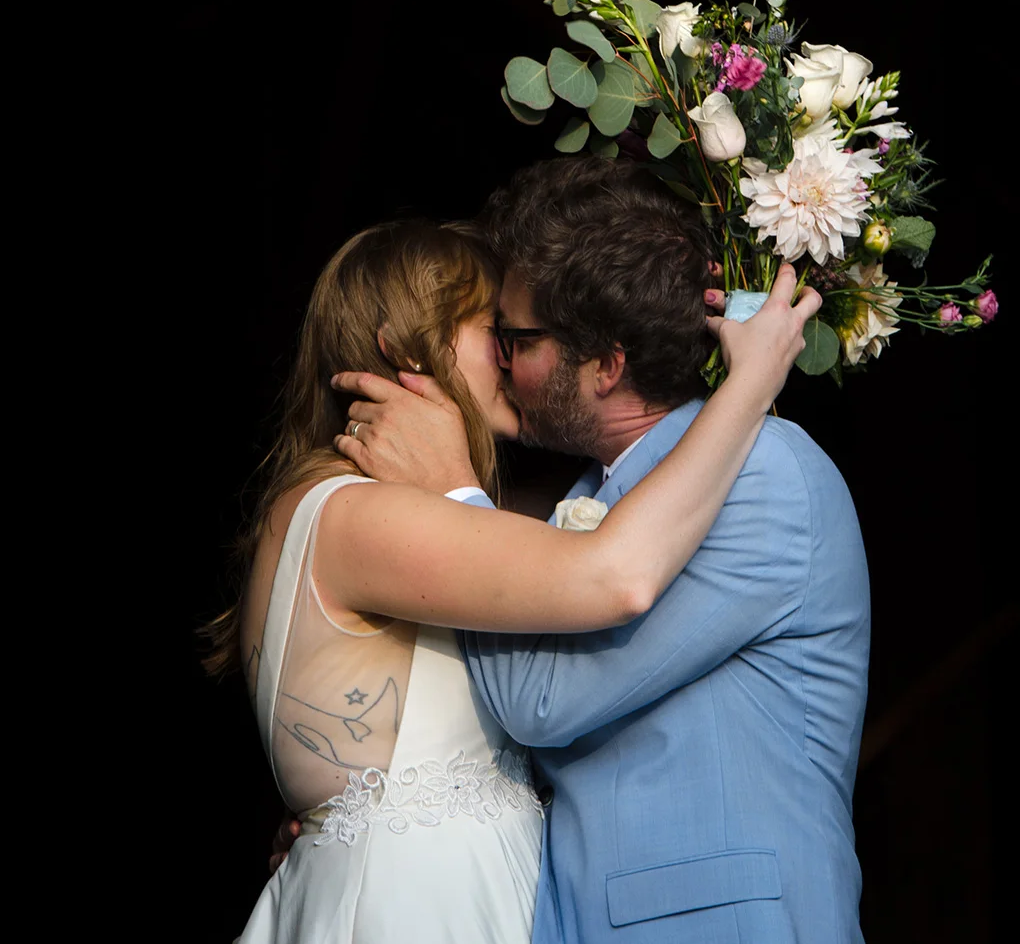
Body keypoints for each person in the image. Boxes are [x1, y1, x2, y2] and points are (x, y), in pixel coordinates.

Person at [204, 207, 819, 944]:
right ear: (406, 347)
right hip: (418, 906)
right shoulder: (357, 515)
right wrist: (749, 384)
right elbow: (615, 575)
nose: (508, 356)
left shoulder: (371, 512)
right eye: (486, 328)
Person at [329, 158, 871, 944]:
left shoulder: (763, 474)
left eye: (517, 336)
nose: (503, 360)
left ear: (608, 363)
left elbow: (541, 699)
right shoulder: (581, 500)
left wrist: (452, 491)